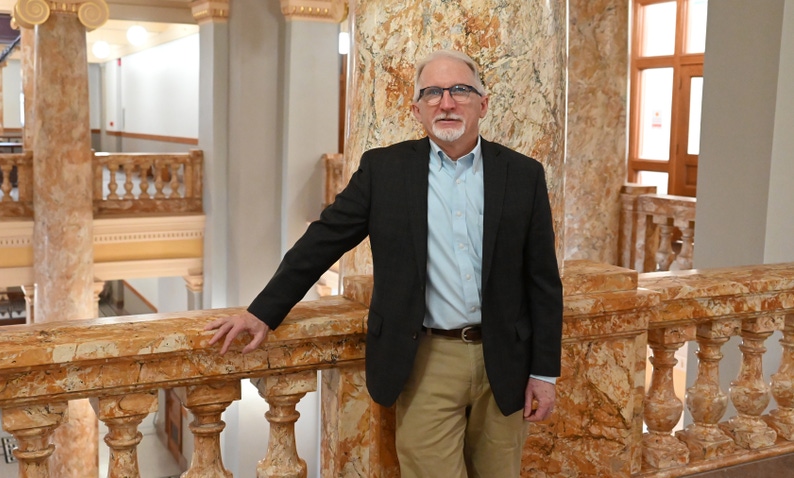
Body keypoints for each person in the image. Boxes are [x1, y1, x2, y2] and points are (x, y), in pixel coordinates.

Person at [206, 49, 563, 477]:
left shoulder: (523, 175)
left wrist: (544, 372)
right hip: (427, 359)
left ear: (482, 104)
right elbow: (323, 241)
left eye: (460, 90)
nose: (446, 102)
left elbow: (542, 280)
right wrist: (262, 311)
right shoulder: (385, 170)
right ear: (416, 109)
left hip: (507, 359)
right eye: (432, 93)